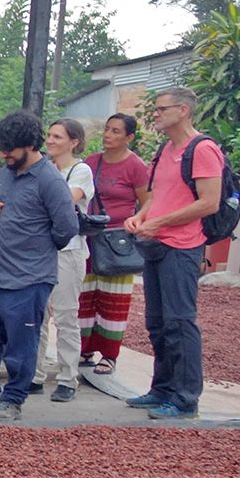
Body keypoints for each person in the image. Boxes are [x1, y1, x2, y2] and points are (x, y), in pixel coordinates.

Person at [0, 111, 78, 422]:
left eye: (11, 150)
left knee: (21, 345)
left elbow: (66, 228)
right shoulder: (5, 174)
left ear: (31, 145)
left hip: (30, 279)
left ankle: (13, 399)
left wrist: (34, 248)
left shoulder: (50, 180)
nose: (4, 155)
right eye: (1, 149)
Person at [122, 86, 221, 420]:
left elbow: (209, 202)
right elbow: (157, 194)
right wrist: (142, 215)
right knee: (157, 323)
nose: (156, 115)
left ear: (183, 111)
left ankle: (186, 397)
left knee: (180, 322)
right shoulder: (165, 150)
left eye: (162, 109)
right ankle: (162, 388)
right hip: (156, 243)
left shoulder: (203, 149)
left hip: (182, 246)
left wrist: (160, 221)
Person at [77, 113, 150, 375]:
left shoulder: (136, 166)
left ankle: (109, 355)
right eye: (107, 129)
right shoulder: (91, 162)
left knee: (114, 298)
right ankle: (83, 348)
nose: (108, 135)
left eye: (116, 131)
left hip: (118, 239)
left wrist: (137, 222)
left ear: (129, 137)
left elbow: (147, 201)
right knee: (84, 295)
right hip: (89, 235)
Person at [41, 118, 95, 402]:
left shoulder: (81, 170)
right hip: (42, 250)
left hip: (69, 251)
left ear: (73, 142)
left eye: (57, 137)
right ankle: (35, 375)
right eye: (49, 135)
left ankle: (67, 377)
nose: (50, 141)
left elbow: (63, 201)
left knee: (65, 315)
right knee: (37, 316)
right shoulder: (45, 169)